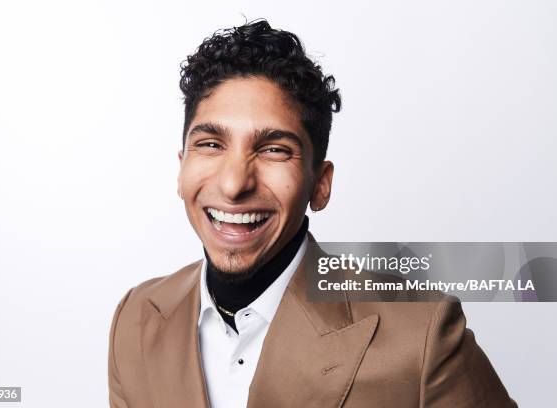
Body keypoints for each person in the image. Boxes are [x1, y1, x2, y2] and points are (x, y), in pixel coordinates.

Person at [108, 19, 517, 407]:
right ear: (181, 168)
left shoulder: (424, 334)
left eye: (273, 150)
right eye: (211, 144)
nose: (234, 184)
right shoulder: (136, 317)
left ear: (320, 185)